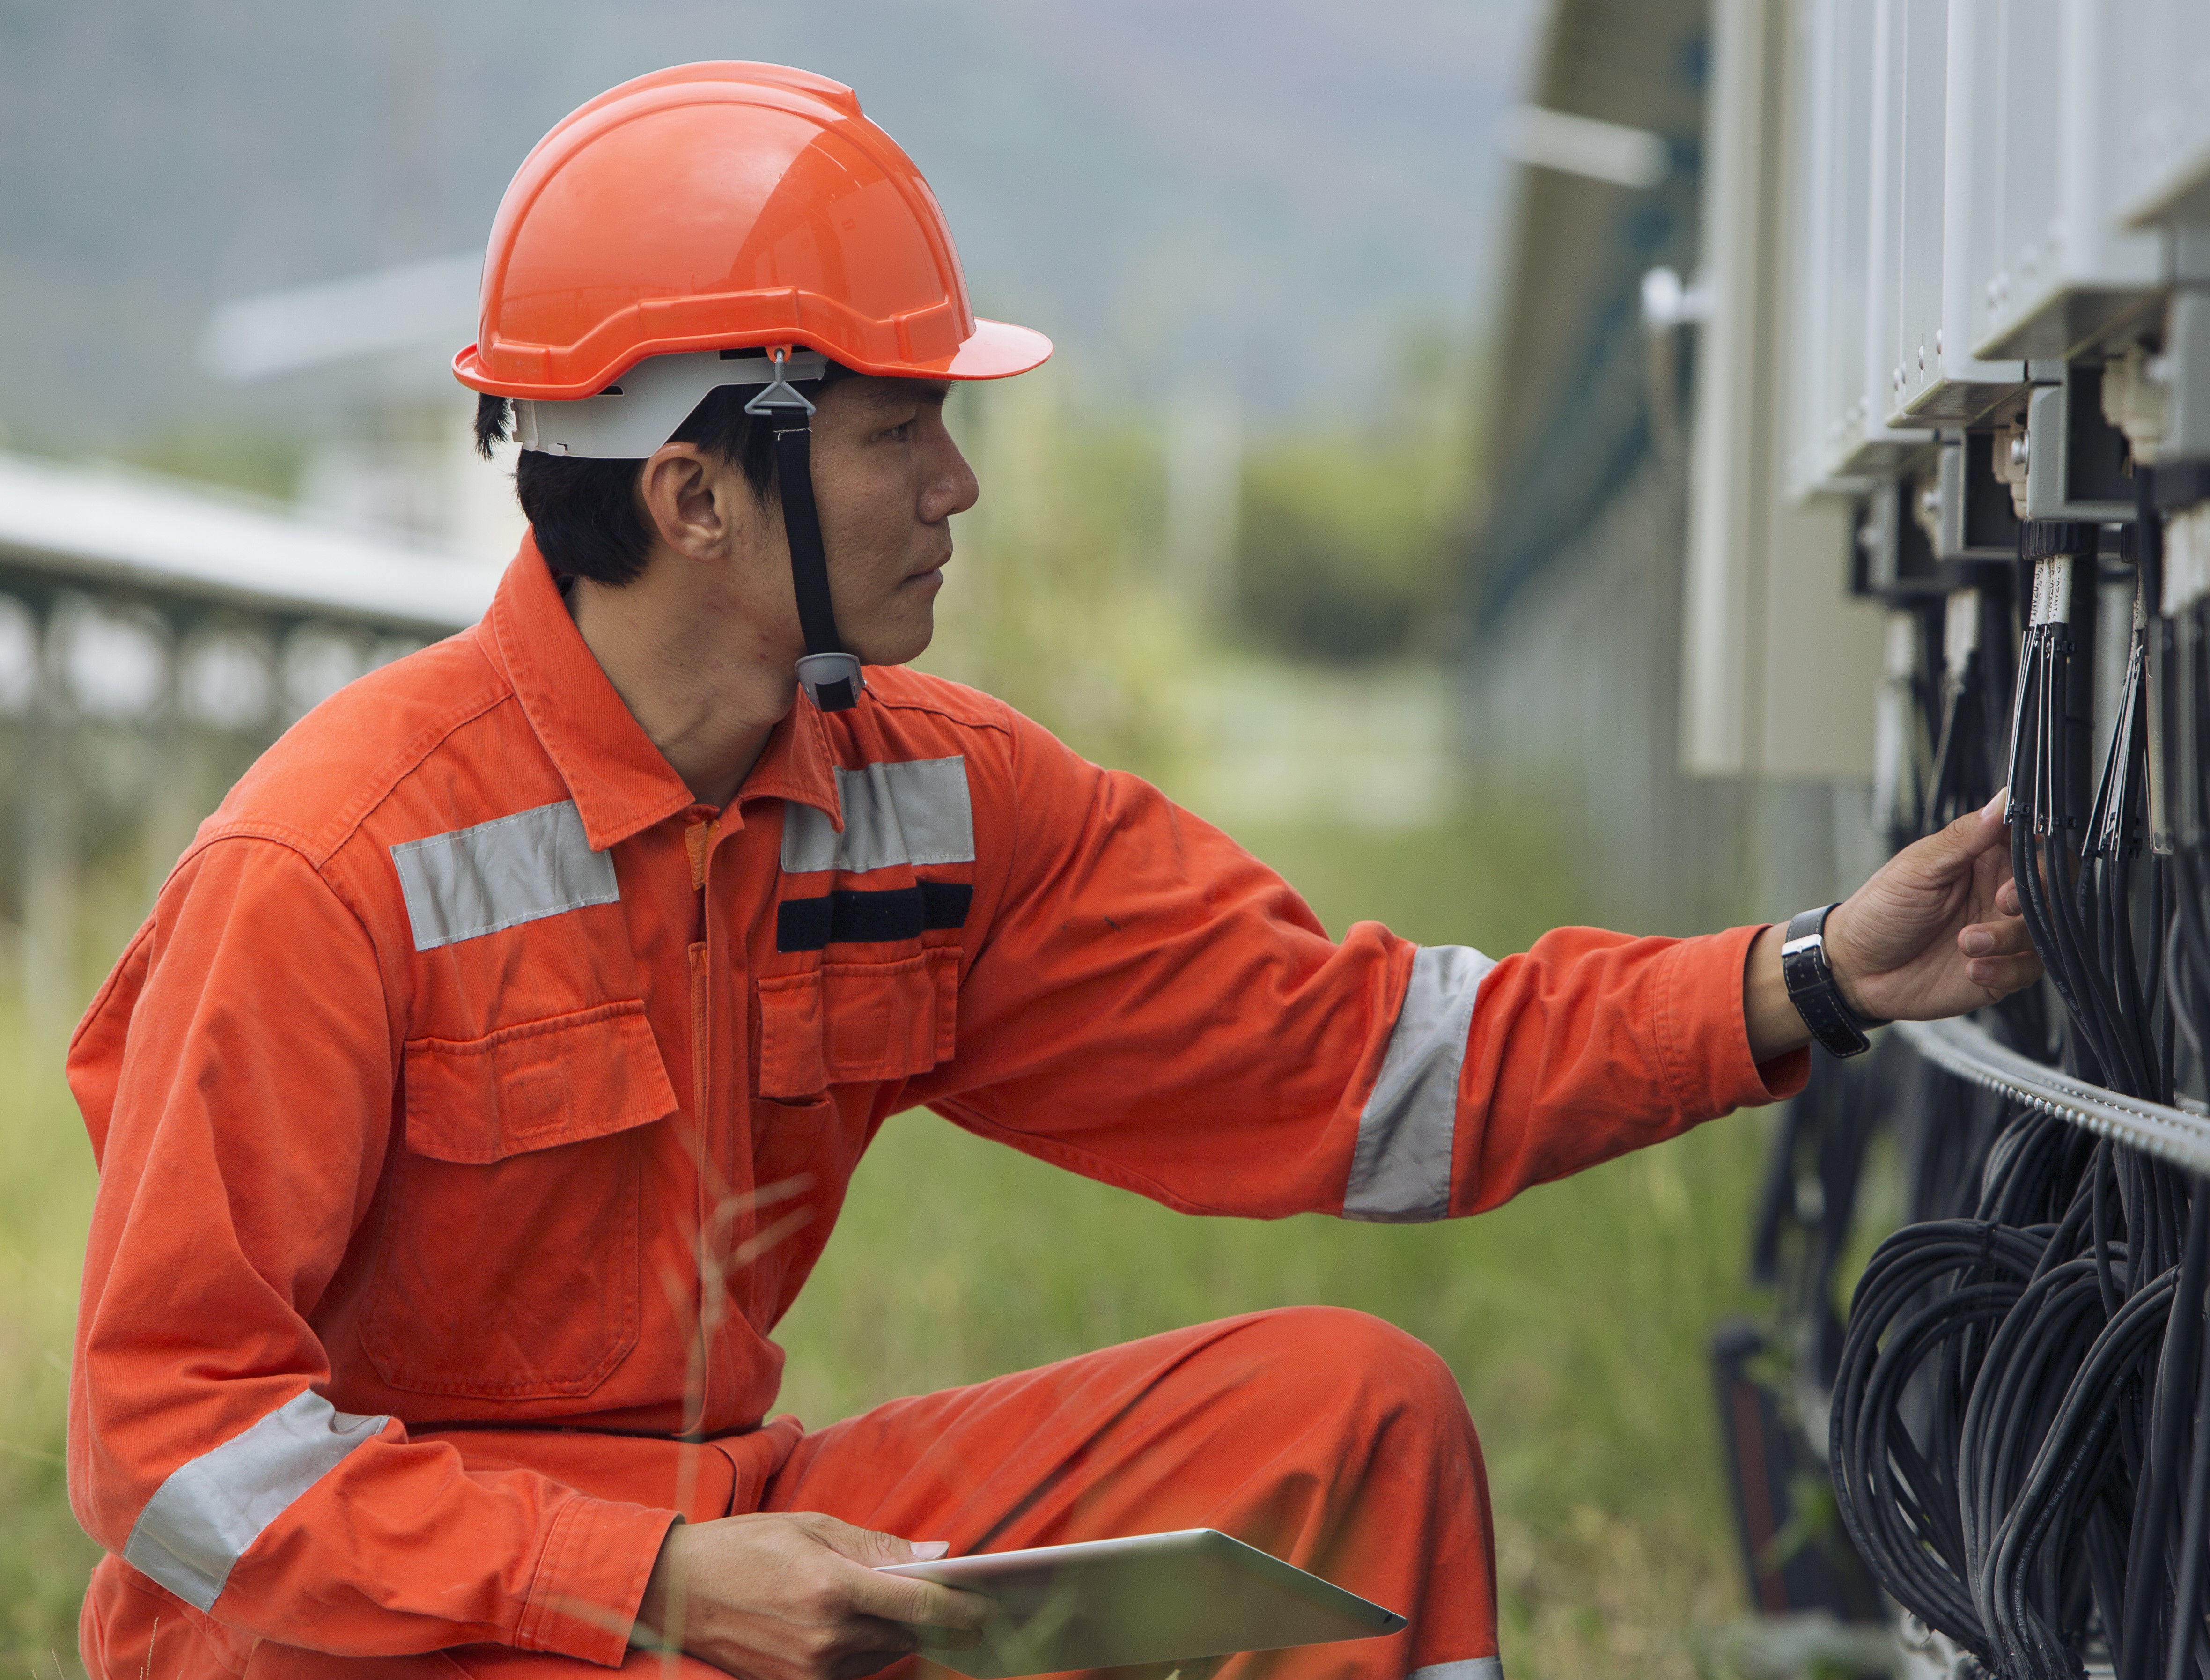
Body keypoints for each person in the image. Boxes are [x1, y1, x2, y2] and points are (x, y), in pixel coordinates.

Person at [65, 62, 2040, 1680]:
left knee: (1342, 1426)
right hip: (362, 1631)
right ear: (695, 495)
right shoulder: (326, 864)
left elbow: (1368, 1069)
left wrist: (1812, 973)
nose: (959, 486)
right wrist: (641, 1581)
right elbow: (177, 1451)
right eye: (899, 429)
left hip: (713, 1545)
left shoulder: (930, 803)